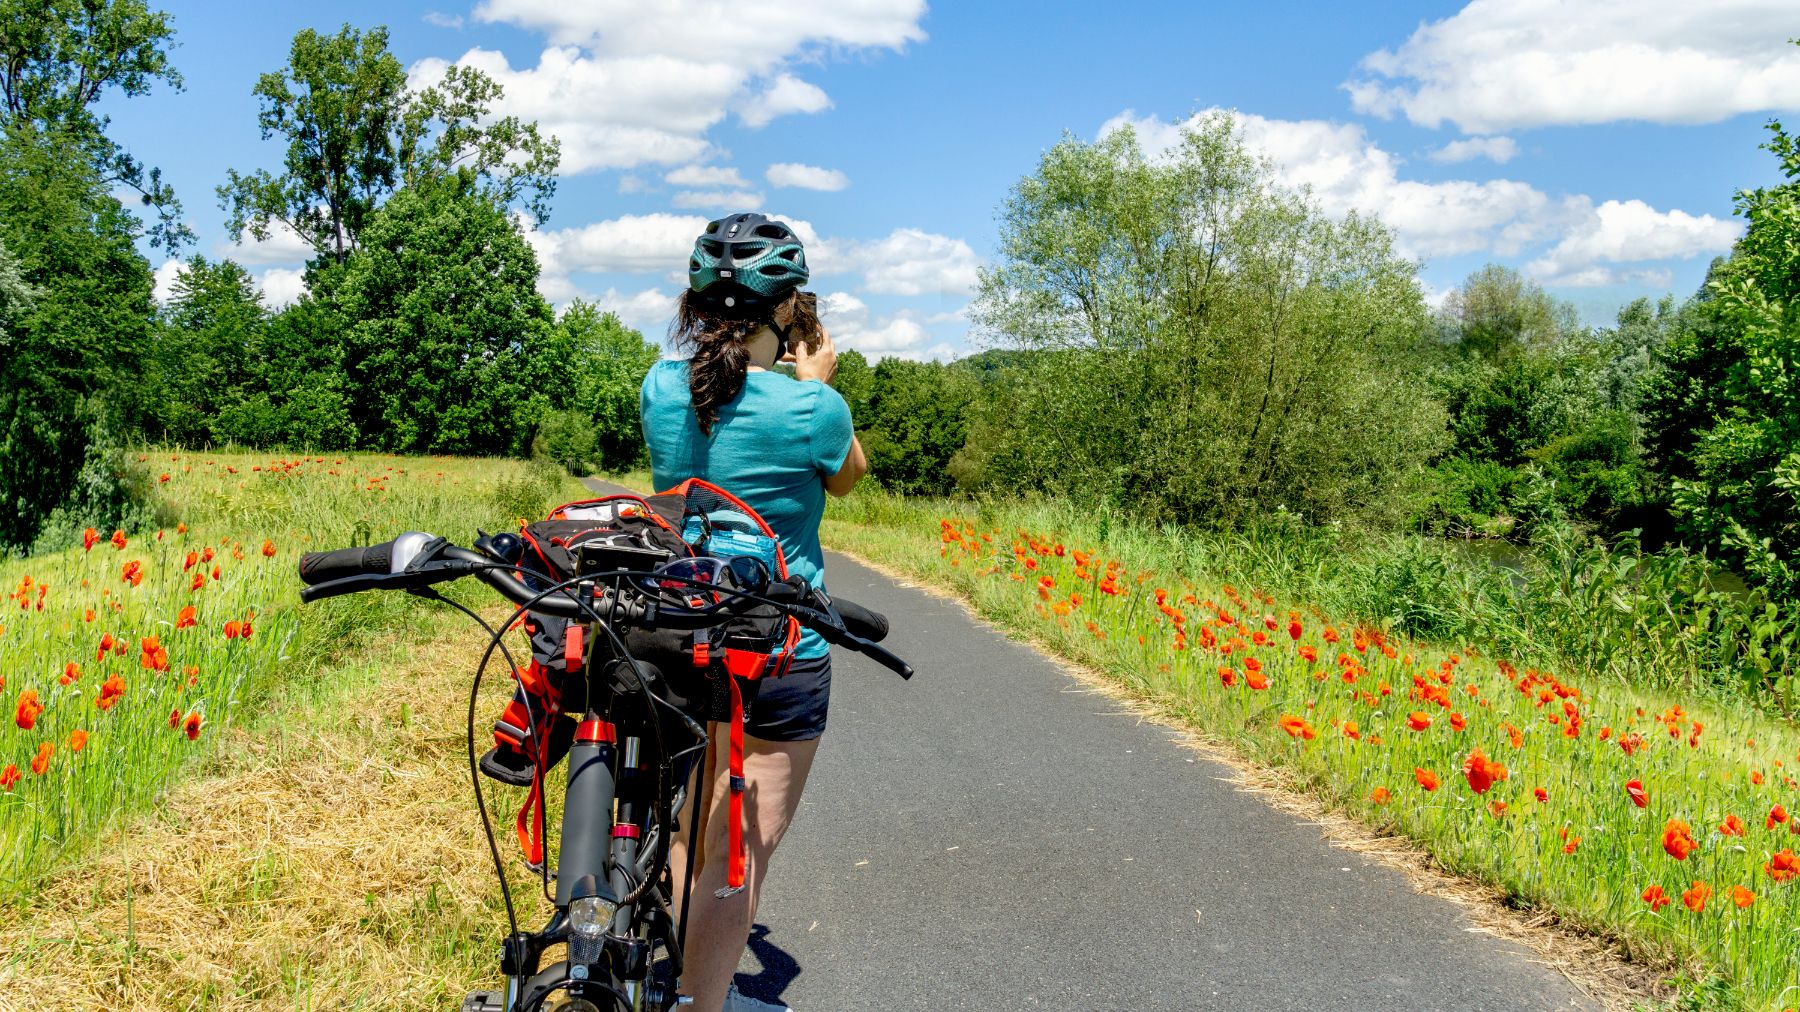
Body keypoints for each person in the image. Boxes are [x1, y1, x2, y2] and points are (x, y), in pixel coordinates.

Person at [639, 212, 868, 1012]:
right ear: (787, 312)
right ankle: (705, 1004)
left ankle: (674, 976)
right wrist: (819, 388)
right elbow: (847, 480)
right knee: (738, 848)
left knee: (693, 824)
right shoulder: (814, 409)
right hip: (775, 646)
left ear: (695, 305)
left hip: (673, 632)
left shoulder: (660, 386)